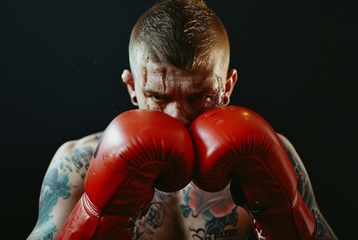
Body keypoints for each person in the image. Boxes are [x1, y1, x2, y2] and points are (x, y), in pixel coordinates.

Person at [27, 0, 338, 239]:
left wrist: (282, 215)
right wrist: (94, 212)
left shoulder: (272, 154)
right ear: (133, 88)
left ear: (226, 87)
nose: (178, 117)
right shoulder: (79, 164)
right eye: (159, 97)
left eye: (200, 96)